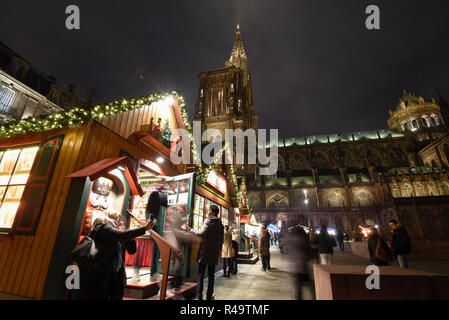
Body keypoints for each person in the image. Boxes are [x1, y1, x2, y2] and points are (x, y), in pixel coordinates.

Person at [78, 212, 153, 300]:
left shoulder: (117, 233)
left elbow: (132, 251)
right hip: (100, 273)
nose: (120, 221)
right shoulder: (103, 227)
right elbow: (121, 236)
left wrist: (130, 237)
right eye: (118, 219)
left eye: (120, 219)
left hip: (115, 274)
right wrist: (144, 228)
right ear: (110, 218)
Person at [187, 205, 224, 300]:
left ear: (214, 212)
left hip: (205, 251)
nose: (208, 211)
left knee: (200, 274)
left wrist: (191, 230)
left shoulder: (208, 221)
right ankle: (209, 296)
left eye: (210, 210)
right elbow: (221, 239)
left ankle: (199, 296)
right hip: (214, 253)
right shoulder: (220, 224)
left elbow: (201, 233)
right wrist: (218, 251)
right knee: (211, 275)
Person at [164, 206, 200, 294]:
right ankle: (171, 286)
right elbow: (178, 230)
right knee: (176, 261)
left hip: (173, 240)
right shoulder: (177, 216)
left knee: (177, 263)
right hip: (173, 240)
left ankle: (174, 286)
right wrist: (192, 236)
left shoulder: (176, 216)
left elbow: (179, 229)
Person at [146, 184, 168, 276]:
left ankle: (154, 270)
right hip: (155, 224)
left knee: (157, 247)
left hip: (155, 224)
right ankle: (154, 270)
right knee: (156, 247)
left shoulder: (156, 194)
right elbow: (164, 203)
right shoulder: (156, 194)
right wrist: (151, 220)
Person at [285, 226, 312, 300]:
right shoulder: (304, 239)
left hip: (293, 268)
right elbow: (309, 253)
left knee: (298, 289)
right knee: (311, 286)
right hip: (303, 266)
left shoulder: (289, 239)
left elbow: (287, 251)